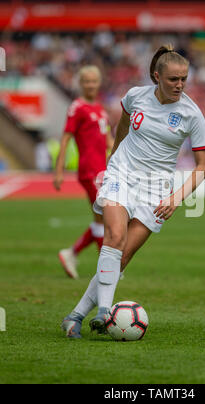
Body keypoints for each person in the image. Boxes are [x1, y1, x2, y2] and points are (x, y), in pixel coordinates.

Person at [61, 45, 205, 338]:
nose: (179, 85)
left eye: (184, 79)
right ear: (157, 76)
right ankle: (105, 312)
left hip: (158, 190)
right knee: (114, 237)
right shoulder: (135, 96)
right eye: (173, 79)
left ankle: (76, 315)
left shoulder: (191, 114)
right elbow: (124, 124)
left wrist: (176, 197)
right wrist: (114, 155)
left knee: (123, 256)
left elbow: (203, 166)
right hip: (122, 174)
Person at [54, 65, 114, 279]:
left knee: (102, 219)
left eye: (94, 81)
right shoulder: (77, 107)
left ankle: (72, 253)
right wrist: (59, 170)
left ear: (99, 83)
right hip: (89, 171)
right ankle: (107, 268)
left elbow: (109, 142)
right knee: (106, 216)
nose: (90, 85)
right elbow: (66, 137)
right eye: (86, 81)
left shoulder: (100, 109)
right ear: (80, 84)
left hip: (103, 171)